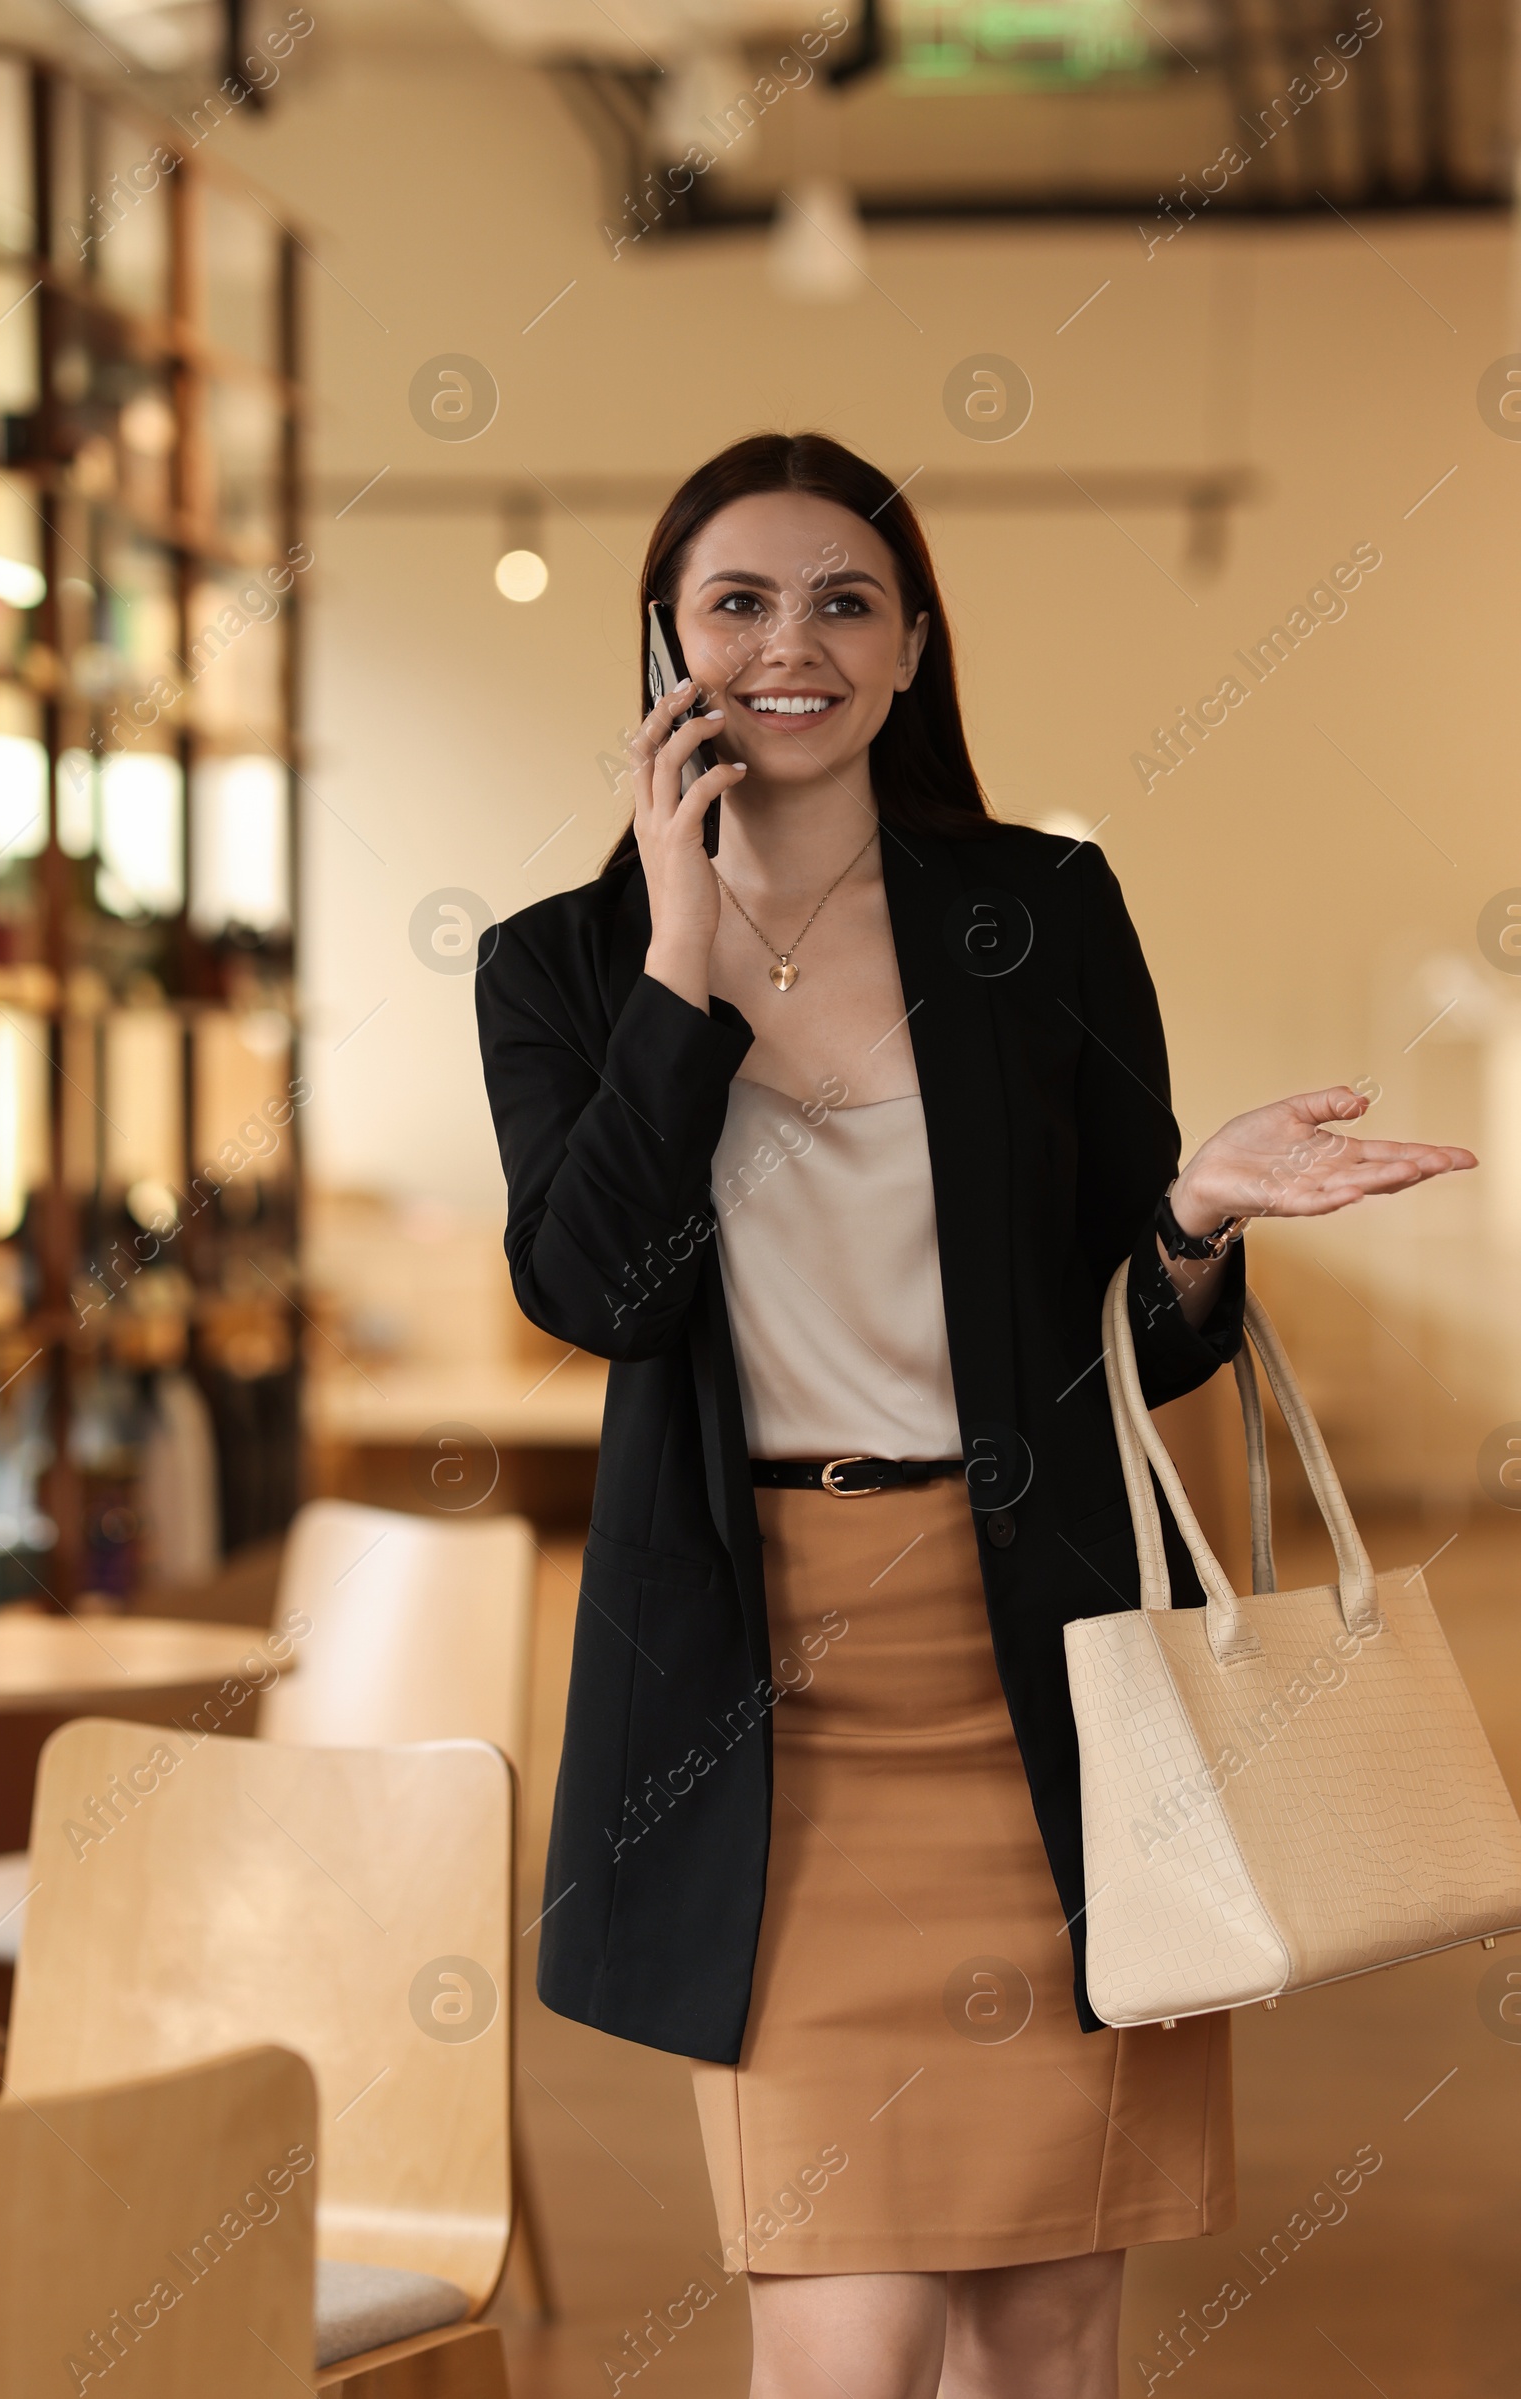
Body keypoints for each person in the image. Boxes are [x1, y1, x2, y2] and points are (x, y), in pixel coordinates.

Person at [474, 432, 1473, 2399]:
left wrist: (1192, 1214)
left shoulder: (1040, 908)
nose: (792, 643)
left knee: (1042, 2331)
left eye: (843, 600)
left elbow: (1143, 1327)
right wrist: (684, 955)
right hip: (766, 1717)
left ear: (913, 645)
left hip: (1045, 1683)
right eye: (736, 603)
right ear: (662, 647)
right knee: (836, 2347)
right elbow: (600, 1291)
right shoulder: (568, 965)